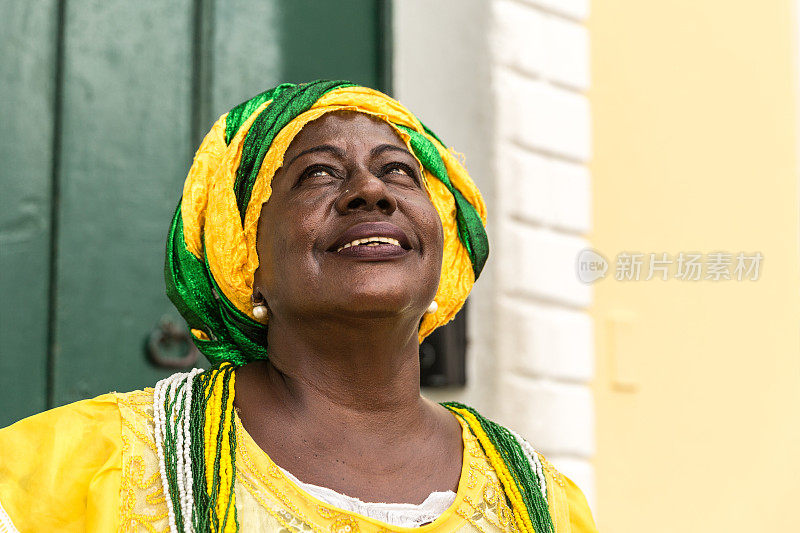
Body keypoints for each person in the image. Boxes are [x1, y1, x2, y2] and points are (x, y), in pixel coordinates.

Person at [0, 81, 597, 532]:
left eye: (398, 171)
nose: (372, 190)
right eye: (317, 174)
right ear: (243, 260)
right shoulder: (83, 468)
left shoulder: (540, 501)